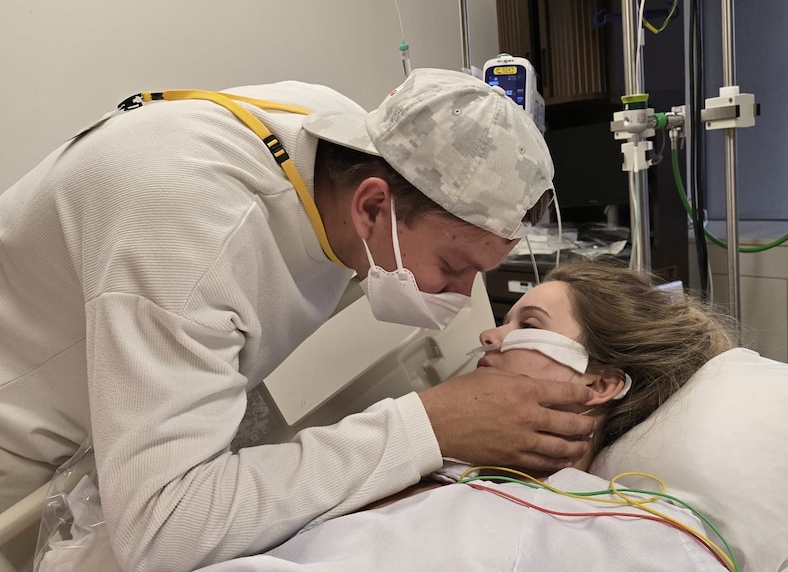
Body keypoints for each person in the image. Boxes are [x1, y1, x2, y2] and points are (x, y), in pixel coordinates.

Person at [0, 68, 598, 571]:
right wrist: (425, 429)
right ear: (372, 206)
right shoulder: (190, 230)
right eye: (452, 264)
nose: (468, 300)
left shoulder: (336, 142)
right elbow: (161, 532)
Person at [195, 259, 741, 571]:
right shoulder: (432, 464)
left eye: (528, 321)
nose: (489, 333)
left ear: (598, 384)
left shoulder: (603, 527)